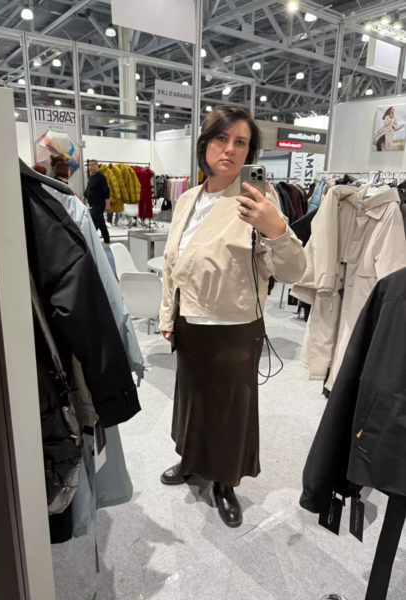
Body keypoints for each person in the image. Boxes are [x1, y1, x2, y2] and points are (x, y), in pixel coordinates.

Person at [159, 105, 306, 528]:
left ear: (250, 151)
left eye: (240, 142)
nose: (230, 149)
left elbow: (293, 271)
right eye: (221, 139)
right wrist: (169, 315)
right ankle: (191, 461)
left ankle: (225, 481)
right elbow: (173, 265)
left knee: (229, 410)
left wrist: (276, 229)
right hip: (190, 323)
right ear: (205, 144)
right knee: (191, 400)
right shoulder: (187, 199)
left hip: (235, 327)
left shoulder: (258, 200)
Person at [84, 159, 111, 244]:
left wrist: (107, 204)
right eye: (89, 165)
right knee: (101, 222)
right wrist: (83, 198)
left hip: (99, 204)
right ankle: (107, 239)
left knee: (94, 222)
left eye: (92, 165)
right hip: (92, 204)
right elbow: (88, 189)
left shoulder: (101, 177)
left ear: (97, 166)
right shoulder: (92, 177)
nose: (90, 167)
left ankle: (90, 241)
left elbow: (106, 191)